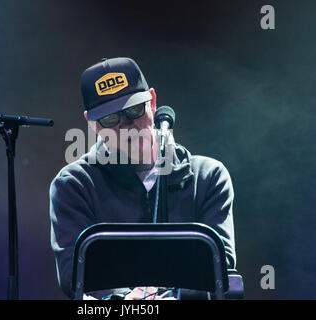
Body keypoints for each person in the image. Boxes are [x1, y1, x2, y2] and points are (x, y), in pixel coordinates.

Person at [49, 57, 236, 300]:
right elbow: (74, 276)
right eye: (110, 119)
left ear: (153, 102)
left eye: (134, 110)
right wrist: (125, 299)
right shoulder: (74, 184)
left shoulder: (208, 176)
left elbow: (221, 268)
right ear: (93, 124)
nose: (127, 125)